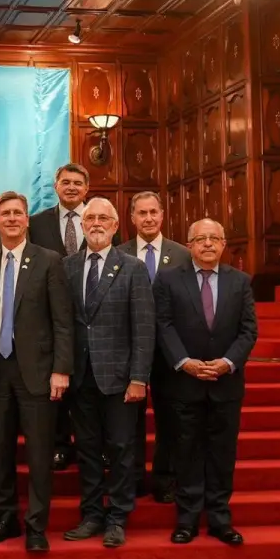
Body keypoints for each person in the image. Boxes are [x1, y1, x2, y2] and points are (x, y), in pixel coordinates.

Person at [0, 191, 73, 553]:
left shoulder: (49, 261)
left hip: (38, 372)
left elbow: (63, 321)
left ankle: (36, 525)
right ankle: (3, 520)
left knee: (39, 453)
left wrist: (61, 369)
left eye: (18, 213)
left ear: (27, 220)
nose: (12, 219)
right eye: (6, 214)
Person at [154, 218, 257, 547]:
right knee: (185, 453)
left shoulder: (240, 281)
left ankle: (220, 520)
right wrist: (184, 362)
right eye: (201, 239)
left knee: (222, 455)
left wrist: (228, 363)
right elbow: (163, 325)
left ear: (224, 244)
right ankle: (186, 520)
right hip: (184, 384)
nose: (208, 244)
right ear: (189, 246)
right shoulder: (168, 279)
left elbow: (248, 330)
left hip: (226, 385)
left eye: (214, 238)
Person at [61, 198, 154, 549]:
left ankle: (117, 517)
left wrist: (139, 378)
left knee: (120, 449)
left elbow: (143, 327)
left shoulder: (132, 268)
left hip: (120, 378)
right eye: (90, 218)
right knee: (86, 449)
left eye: (104, 218)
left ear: (116, 226)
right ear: (82, 225)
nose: (96, 223)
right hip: (80, 376)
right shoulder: (67, 267)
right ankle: (91, 515)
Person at [116, 191, 191, 502]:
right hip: (128, 349)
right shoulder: (117, 254)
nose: (148, 218)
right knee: (128, 420)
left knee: (169, 417)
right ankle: (132, 478)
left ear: (162, 215)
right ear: (132, 218)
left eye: (153, 212)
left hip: (169, 350)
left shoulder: (183, 254)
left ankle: (165, 479)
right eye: (141, 213)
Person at [28, 163, 90, 472]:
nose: (72, 187)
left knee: (88, 385)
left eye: (78, 183)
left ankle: (91, 445)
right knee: (56, 384)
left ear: (86, 188)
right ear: (56, 186)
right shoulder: (37, 223)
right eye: (66, 182)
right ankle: (60, 445)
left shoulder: (99, 218)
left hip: (90, 313)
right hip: (48, 315)